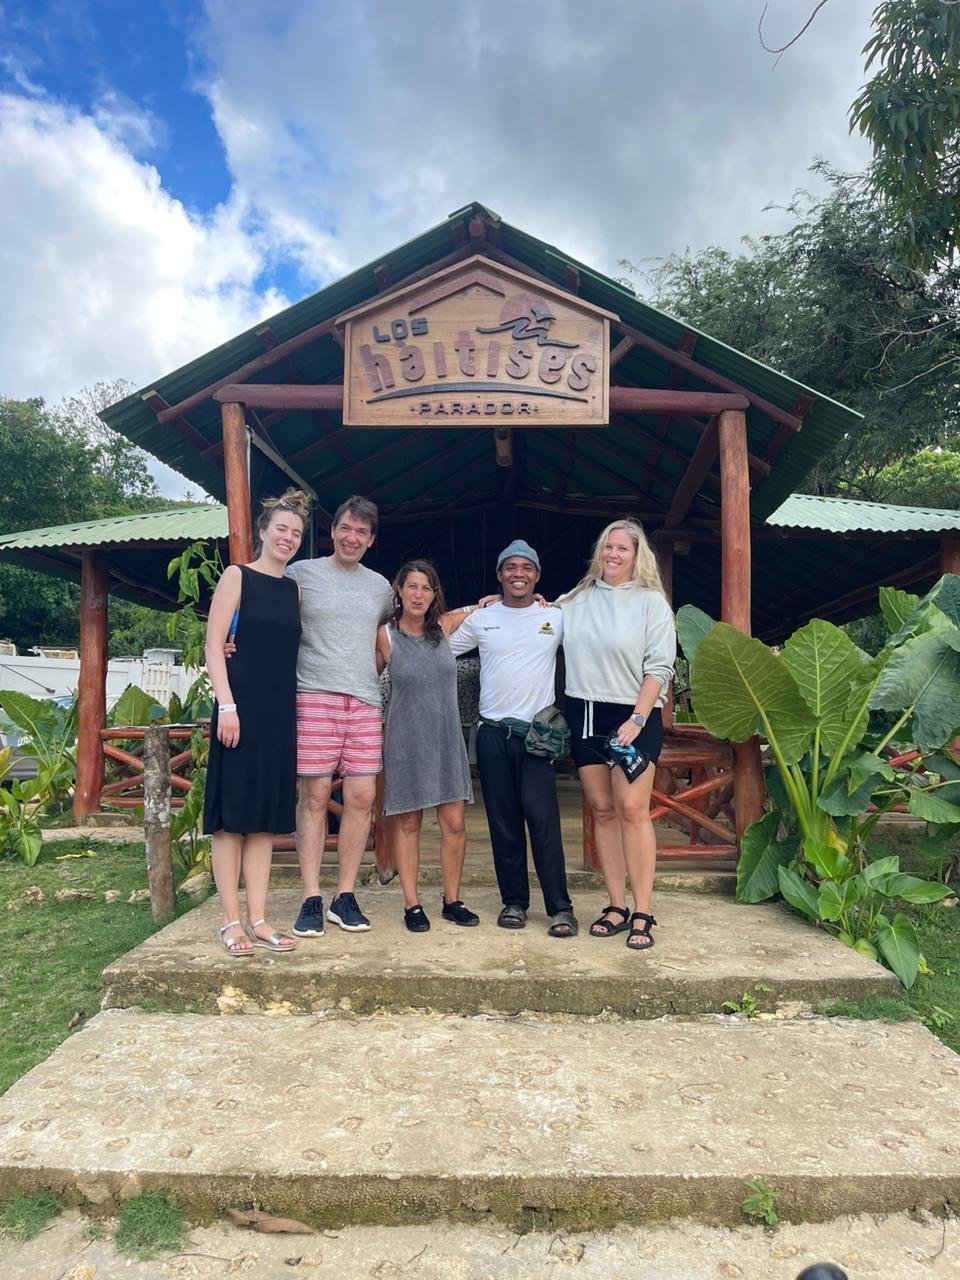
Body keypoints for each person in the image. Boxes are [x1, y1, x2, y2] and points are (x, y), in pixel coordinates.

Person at [557, 519, 676, 952]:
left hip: (633, 714)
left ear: (636, 555)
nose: (613, 554)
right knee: (603, 810)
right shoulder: (576, 599)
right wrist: (498, 604)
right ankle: (616, 905)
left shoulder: (651, 603)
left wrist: (638, 719)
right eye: (608, 546)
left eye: (622, 548)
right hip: (586, 711)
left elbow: (659, 667)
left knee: (631, 809)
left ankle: (643, 910)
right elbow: (538, 617)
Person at [448, 540, 577, 938]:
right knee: (502, 821)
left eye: (526, 568)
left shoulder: (555, 616)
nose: (518, 574)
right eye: (510, 567)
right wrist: (471, 608)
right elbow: (438, 642)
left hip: (536, 735)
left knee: (542, 820)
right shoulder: (484, 619)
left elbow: (591, 621)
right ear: (500, 575)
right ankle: (514, 901)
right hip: (491, 733)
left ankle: (560, 907)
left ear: (537, 576)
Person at [203, 489, 309, 956]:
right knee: (232, 820)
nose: (288, 537)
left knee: (264, 821)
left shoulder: (293, 589)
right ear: (263, 532)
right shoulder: (237, 576)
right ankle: (230, 922)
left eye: (296, 533)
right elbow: (214, 646)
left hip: (278, 713)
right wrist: (226, 705)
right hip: (238, 710)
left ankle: (259, 918)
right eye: (281, 528)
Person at [285, 495, 393, 936]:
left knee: (362, 797)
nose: (352, 537)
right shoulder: (301, 574)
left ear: (371, 540)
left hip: (365, 701)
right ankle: (310, 896)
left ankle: (344, 895)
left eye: (361, 532)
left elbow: (396, 633)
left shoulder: (381, 588)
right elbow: (267, 616)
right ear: (332, 531)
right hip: (314, 696)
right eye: (345, 528)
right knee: (313, 795)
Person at [375, 560, 481, 933]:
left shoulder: (444, 627)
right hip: (405, 742)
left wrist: (501, 600)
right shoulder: (385, 636)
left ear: (434, 594)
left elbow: (481, 609)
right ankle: (412, 903)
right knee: (408, 823)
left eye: (426, 588)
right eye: (412, 587)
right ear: (399, 591)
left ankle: (452, 900)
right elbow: (363, 678)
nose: (418, 595)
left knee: (454, 823)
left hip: (446, 740)